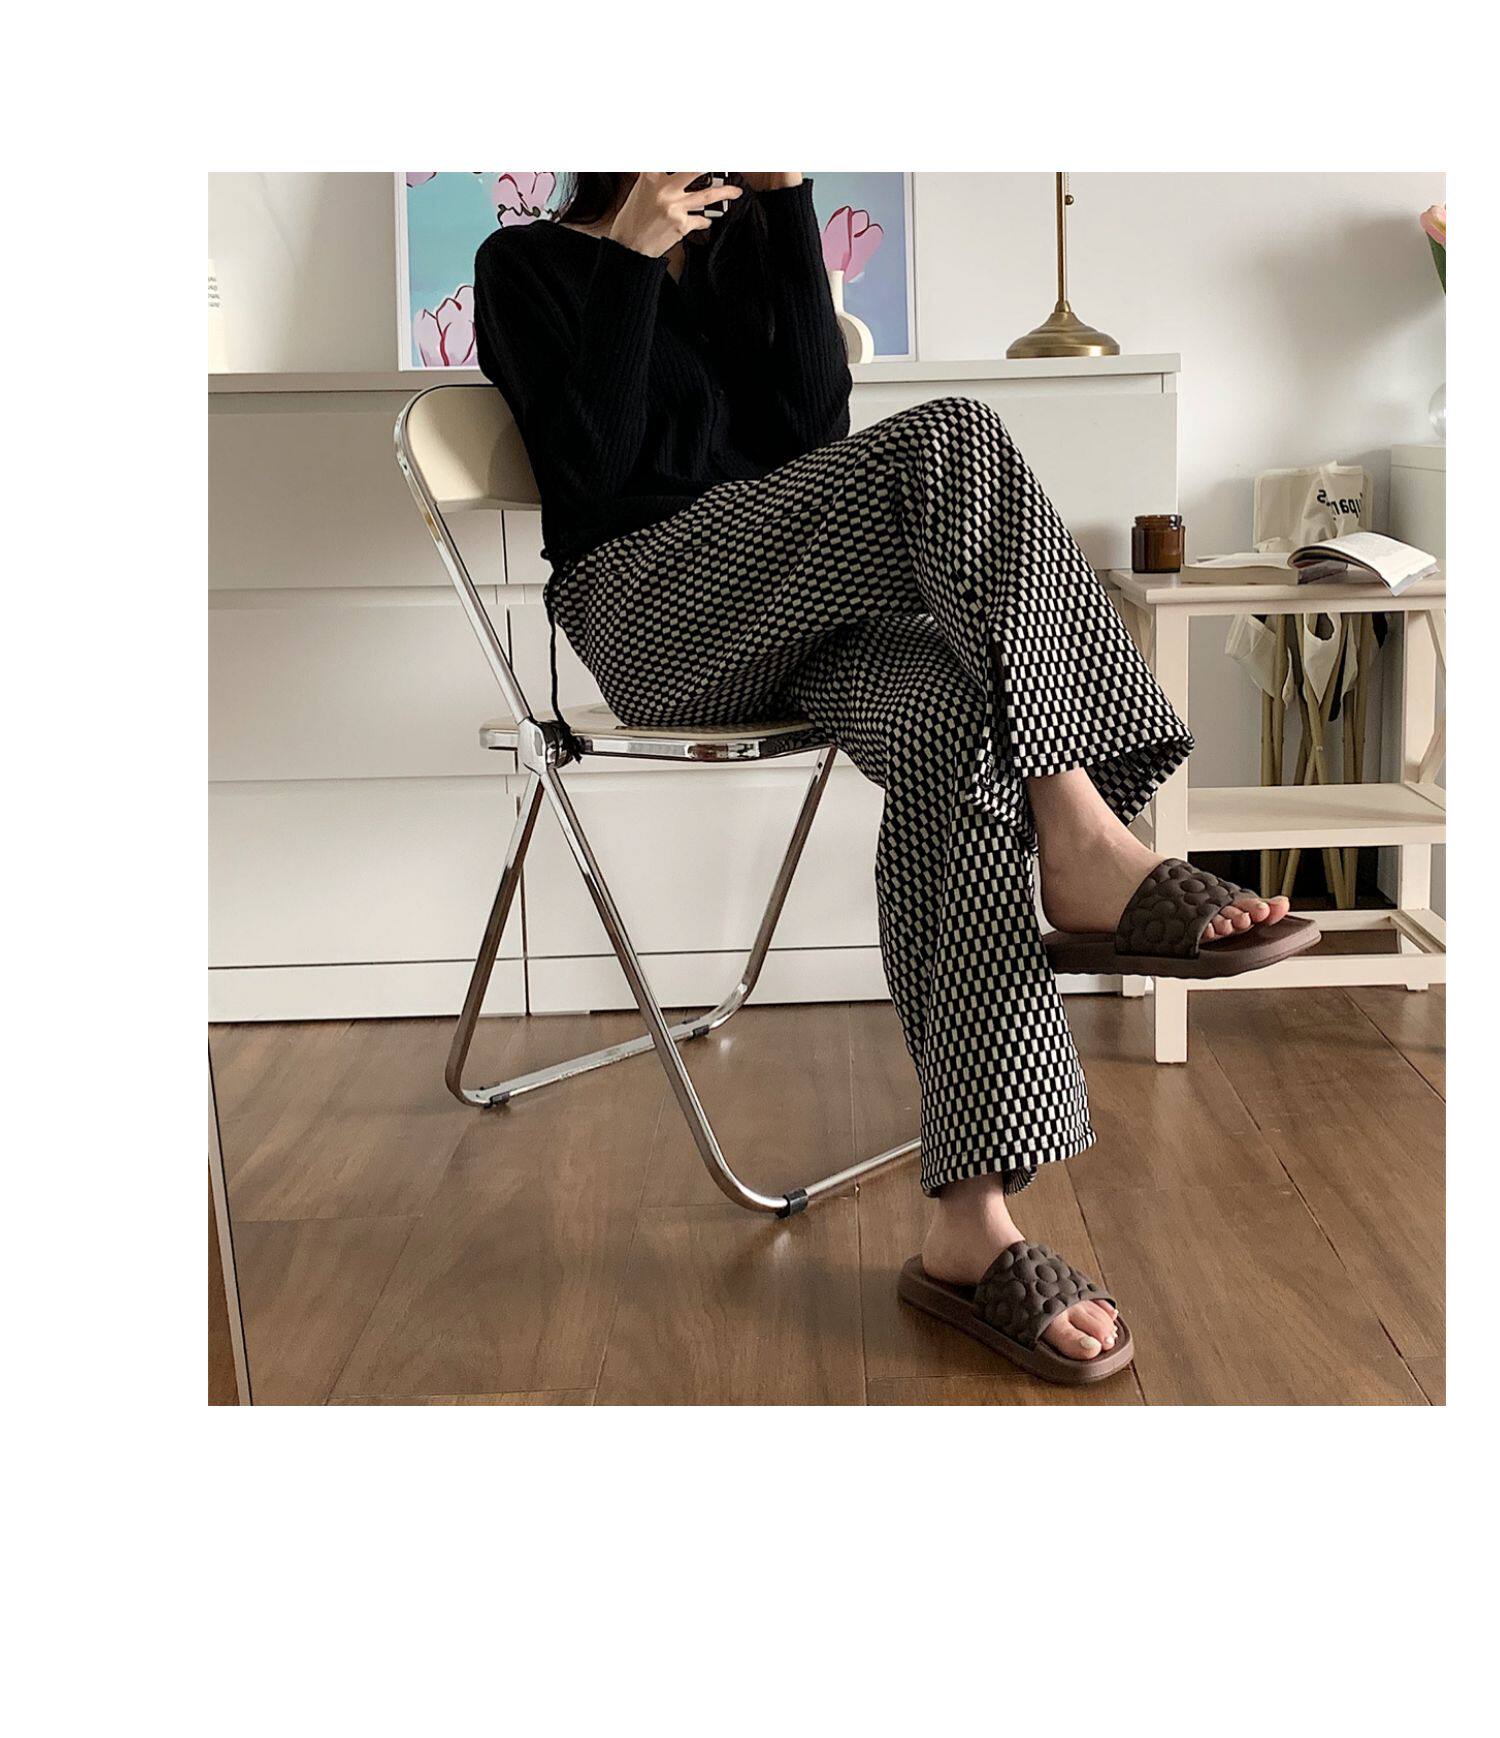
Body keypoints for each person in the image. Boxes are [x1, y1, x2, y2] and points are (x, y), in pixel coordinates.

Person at [474, 172, 1316, 1385]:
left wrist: (785, 211)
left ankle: (972, 1224)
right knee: (954, 436)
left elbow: (814, 441)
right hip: (652, 611)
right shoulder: (529, 265)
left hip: (799, 605)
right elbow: (590, 475)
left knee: (955, 719)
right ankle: (1083, 832)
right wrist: (631, 262)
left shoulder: (740, 242)